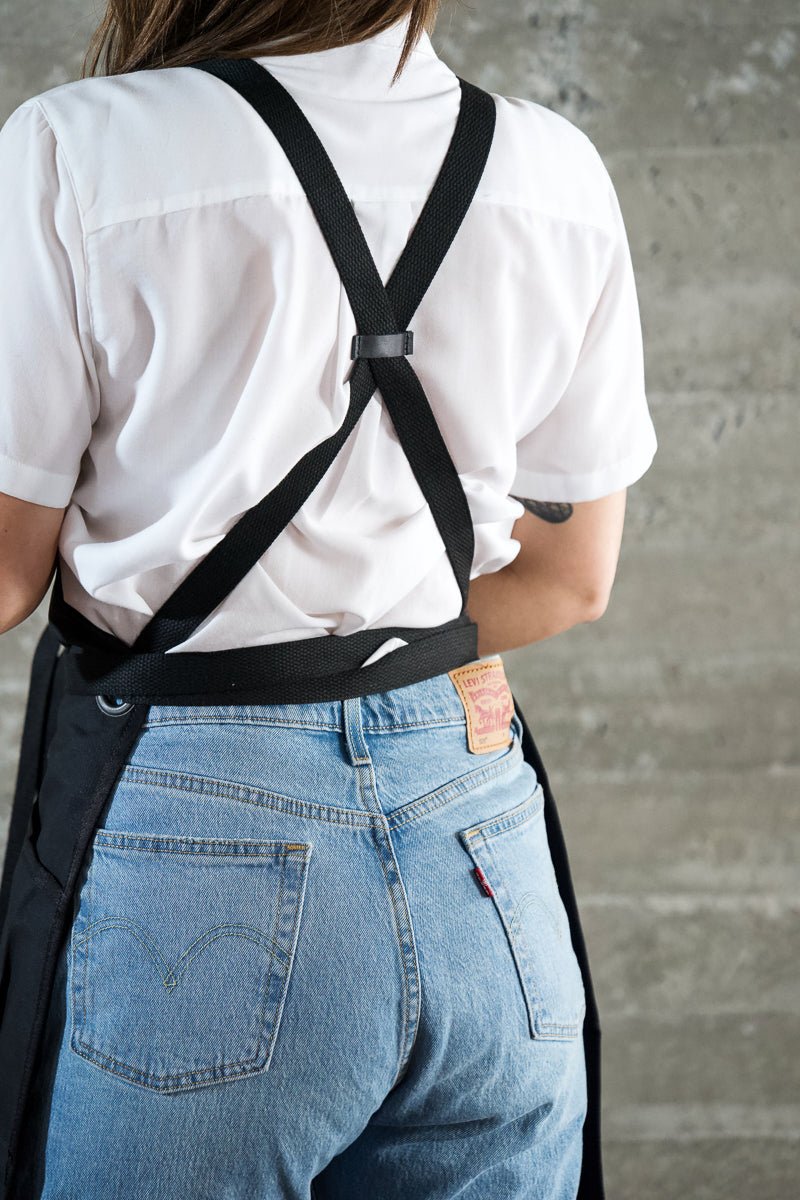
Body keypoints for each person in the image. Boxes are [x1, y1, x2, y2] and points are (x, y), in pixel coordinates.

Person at [0, 2, 657, 1197]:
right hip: (477, 837)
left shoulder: (77, 146)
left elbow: (4, 571)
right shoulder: (549, 166)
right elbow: (570, 581)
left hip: (201, 843)